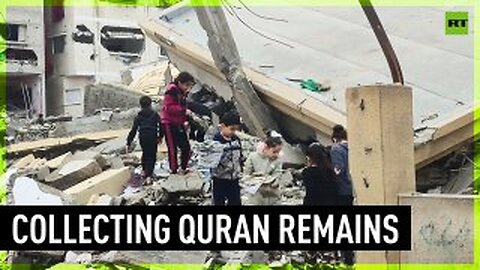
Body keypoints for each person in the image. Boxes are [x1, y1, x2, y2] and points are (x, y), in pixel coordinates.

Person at [330, 124, 355, 266]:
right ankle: (351, 255)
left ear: (334, 138)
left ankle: (346, 258)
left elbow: (337, 170)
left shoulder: (336, 149)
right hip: (353, 191)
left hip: (341, 192)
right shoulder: (353, 148)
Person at [161, 72, 195, 174]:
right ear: (180, 82)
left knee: (186, 147)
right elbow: (168, 107)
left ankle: (183, 168)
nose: (187, 88)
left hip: (179, 123)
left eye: (190, 86)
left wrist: (186, 119)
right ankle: (174, 170)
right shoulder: (171, 91)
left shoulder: (182, 93)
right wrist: (183, 110)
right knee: (172, 148)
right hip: (169, 123)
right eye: (186, 85)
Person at [126, 96, 163, 185]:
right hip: (152, 136)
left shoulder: (138, 116)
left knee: (145, 153)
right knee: (152, 156)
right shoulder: (155, 114)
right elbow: (162, 125)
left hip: (143, 137)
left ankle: (144, 170)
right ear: (150, 104)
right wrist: (160, 136)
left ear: (141, 105)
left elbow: (133, 130)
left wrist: (129, 141)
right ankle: (148, 176)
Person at [211, 112, 244, 206]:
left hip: (234, 178)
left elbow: (240, 156)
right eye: (231, 129)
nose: (233, 132)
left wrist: (241, 167)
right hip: (219, 178)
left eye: (236, 129)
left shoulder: (236, 140)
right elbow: (211, 161)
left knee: (236, 202)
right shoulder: (216, 142)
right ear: (222, 126)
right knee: (219, 202)